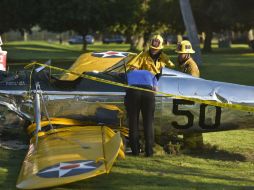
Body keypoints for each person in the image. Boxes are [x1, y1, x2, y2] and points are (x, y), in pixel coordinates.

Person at [125, 34, 174, 156]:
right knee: (140, 121)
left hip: (145, 89)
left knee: (144, 122)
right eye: (152, 47)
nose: (153, 50)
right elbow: (132, 67)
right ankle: (137, 151)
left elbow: (170, 71)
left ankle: (148, 152)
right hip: (149, 89)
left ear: (161, 48)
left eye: (156, 48)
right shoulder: (142, 55)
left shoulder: (165, 59)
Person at [125, 70, 158, 157]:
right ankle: (149, 152)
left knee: (133, 122)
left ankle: (135, 151)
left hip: (133, 92)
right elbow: (155, 90)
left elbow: (125, 86)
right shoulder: (151, 73)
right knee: (149, 122)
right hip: (148, 93)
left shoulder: (129, 73)